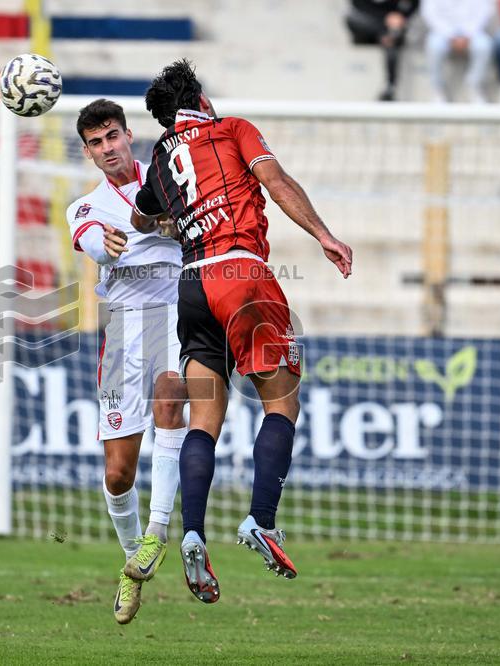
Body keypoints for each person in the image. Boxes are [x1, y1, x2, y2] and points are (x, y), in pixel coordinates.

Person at [131, 60, 352, 604]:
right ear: (199, 100)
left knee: (204, 419)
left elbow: (141, 217)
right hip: (241, 275)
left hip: (192, 287)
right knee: (281, 406)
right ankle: (261, 521)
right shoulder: (231, 128)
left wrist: (167, 220)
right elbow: (275, 182)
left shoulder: (159, 158)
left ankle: (192, 532)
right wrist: (324, 235)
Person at [65, 99, 188, 624]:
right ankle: (132, 560)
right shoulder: (85, 207)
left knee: (171, 394)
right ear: (89, 153)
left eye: (112, 135)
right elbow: (95, 243)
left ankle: (159, 529)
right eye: (96, 142)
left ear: (128, 135)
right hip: (122, 333)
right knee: (118, 473)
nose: (107, 147)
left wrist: (177, 227)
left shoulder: (171, 179)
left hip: (177, 315)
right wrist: (110, 246)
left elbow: (192, 225)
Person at [345, 0, 420, 101]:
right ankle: (385, 36)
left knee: (392, 40)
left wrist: (402, 16)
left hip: (394, 28)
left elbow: (414, 4)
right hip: (370, 24)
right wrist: (385, 18)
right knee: (352, 19)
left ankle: (390, 87)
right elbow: (358, 6)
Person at [422, 0, 494, 103]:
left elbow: (485, 12)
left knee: (484, 46)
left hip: (473, 32)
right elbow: (429, 13)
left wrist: (468, 34)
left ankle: (474, 85)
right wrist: (450, 35)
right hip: (442, 32)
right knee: (434, 46)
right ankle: (437, 89)